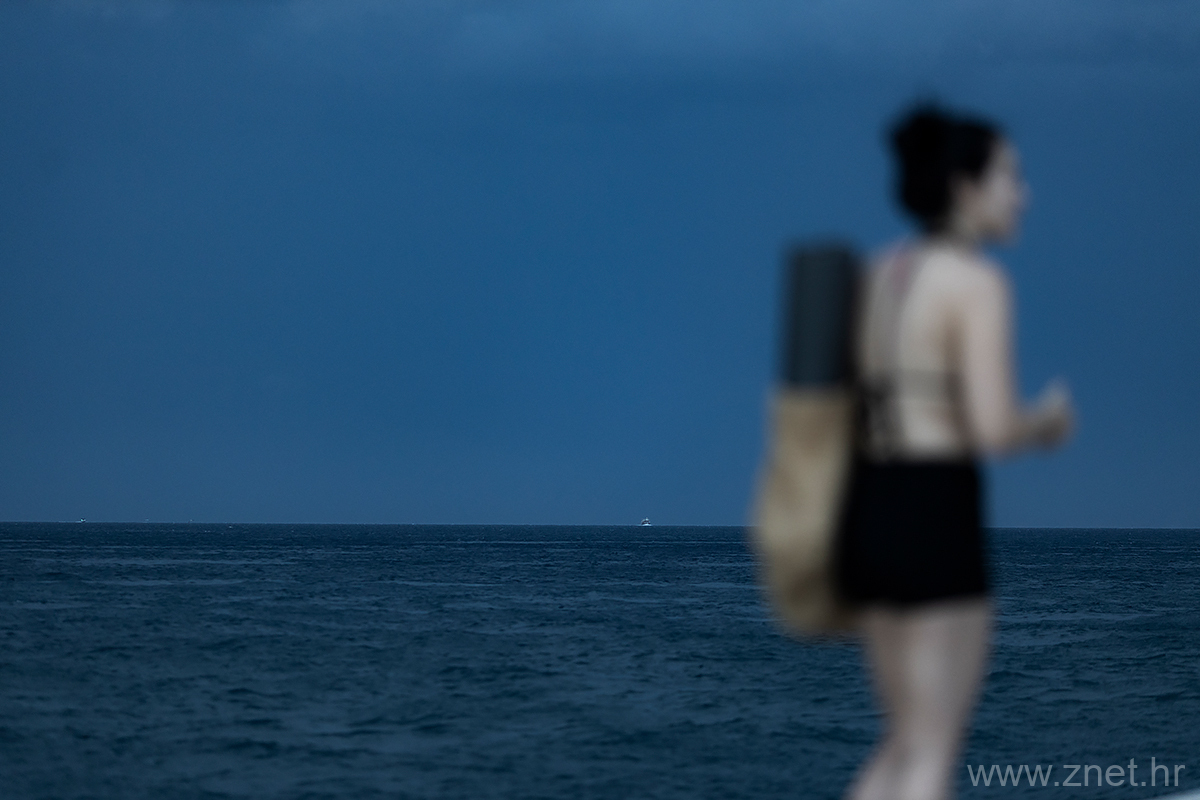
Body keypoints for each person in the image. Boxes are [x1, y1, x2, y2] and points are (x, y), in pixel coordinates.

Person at [834, 105, 1074, 800]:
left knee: (903, 740)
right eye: (1010, 177)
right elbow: (993, 428)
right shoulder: (976, 284)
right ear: (965, 188)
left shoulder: (877, 275)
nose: (1023, 195)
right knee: (934, 752)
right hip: (935, 511)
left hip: (867, 510)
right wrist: (1046, 422)